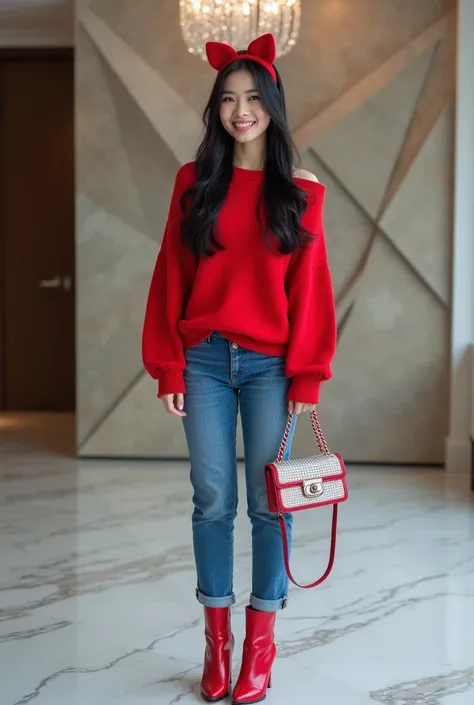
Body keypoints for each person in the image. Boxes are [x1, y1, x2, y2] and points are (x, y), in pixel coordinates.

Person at [142, 33, 336, 704]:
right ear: (215, 110)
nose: (240, 110)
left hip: (270, 366)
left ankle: (262, 640)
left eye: (253, 97)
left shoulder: (303, 191)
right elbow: (172, 275)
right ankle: (216, 640)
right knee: (212, 499)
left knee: (269, 505)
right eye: (228, 99)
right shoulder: (192, 183)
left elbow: (311, 291)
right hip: (201, 359)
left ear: (273, 105)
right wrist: (168, 365)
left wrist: (307, 377)